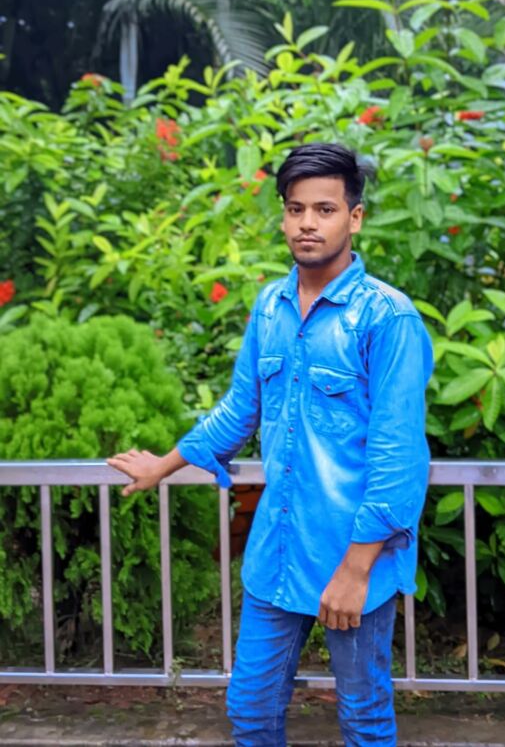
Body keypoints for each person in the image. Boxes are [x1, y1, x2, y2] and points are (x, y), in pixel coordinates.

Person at [107, 142, 433, 746]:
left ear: (355, 218)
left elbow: (399, 459)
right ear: (283, 216)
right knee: (251, 710)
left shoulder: (388, 318)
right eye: (295, 209)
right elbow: (241, 408)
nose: (308, 223)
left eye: (325, 210)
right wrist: (165, 465)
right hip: (276, 555)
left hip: (352, 557)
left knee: (364, 717)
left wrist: (356, 569)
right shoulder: (270, 307)